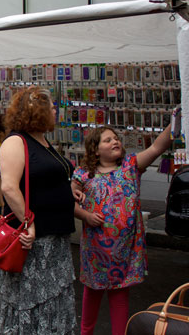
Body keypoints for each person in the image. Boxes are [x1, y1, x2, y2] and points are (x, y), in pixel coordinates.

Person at [72, 124, 172, 335]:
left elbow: (156, 148)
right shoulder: (84, 174)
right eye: (107, 140)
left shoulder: (131, 166)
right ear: (95, 150)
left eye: (116, 138)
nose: (115, 141)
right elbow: (70, 200)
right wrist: (86, 215)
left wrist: (178, 119)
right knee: (92, 295)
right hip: (95, 252)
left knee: (119, 297)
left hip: (124, 253)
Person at [0, 86, 76, 334]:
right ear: (38, 111)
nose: (55, 110)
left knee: (53, 306)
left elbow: (44, 179)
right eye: (51, 107)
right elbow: (9, 187)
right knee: (33, 307)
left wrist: (67, 191)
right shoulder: (15, 142)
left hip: (54, 240)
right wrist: (28, 221)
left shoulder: (41, 140)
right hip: (34, 243)